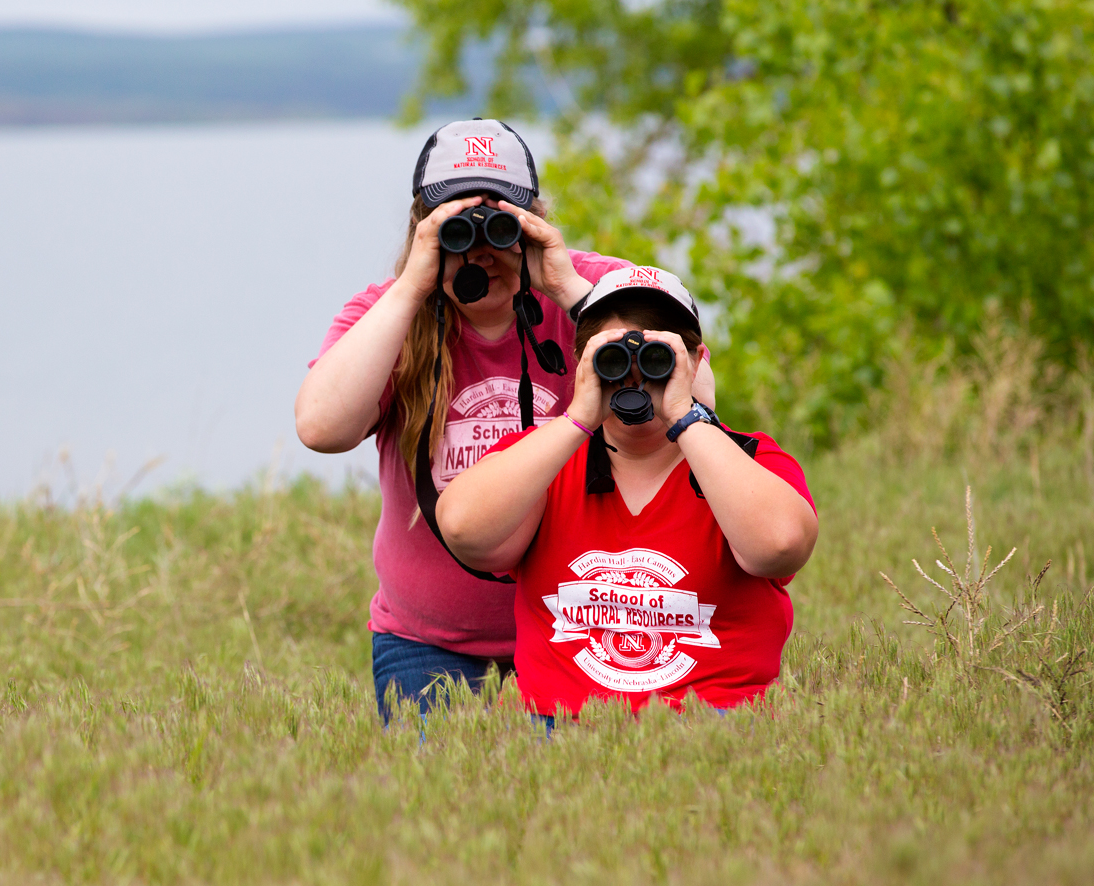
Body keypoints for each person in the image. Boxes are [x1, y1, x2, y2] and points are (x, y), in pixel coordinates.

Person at [295, 119, 712, 720]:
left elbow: (699, 399)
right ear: (423, 228)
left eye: (501, 223)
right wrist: (414, 285)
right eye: (458, 226)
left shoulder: (597, 290)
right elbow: (321, 428)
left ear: (533, 219)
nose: (480, 247)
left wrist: (571, 291)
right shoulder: (387, 315)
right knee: (444, 807)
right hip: (429, 642)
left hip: (587, 630)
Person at [436, 265, 818, 720]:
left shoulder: (747, 459)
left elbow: (779, 546)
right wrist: (579, 417)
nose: (635, 378)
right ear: (583, 368)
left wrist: (685, 415)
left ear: (698, 363)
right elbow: (464, 531)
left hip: (712, 728)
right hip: (555, 728)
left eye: (659, 359)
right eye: (612, 361)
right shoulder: (546, 461)